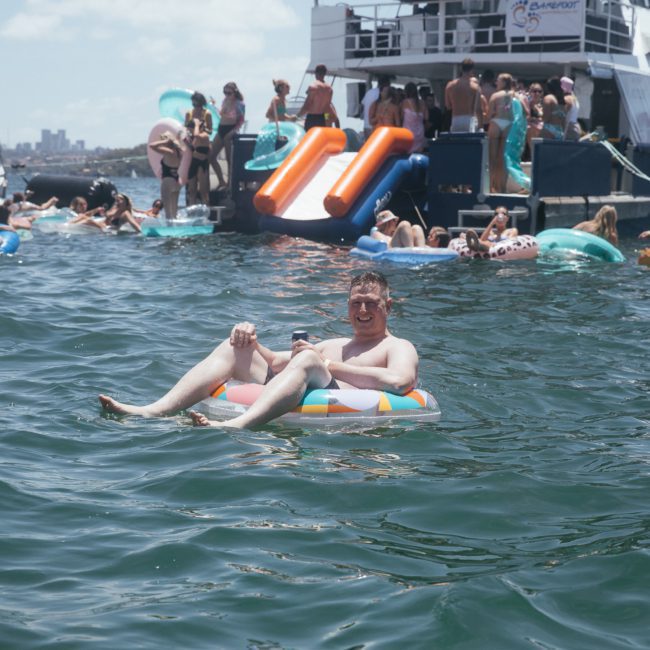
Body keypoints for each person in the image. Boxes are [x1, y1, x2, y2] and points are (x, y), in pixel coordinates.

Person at [99, 271, 419, 429]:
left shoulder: (397, 345)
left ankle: (240, 425)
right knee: (233, 347)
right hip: (312, 377)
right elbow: (279, 364)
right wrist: (250, 339)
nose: (362, 310)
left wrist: (328, 366)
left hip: (346, 407)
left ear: (388, 306)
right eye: (355, 303)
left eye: (371, 303)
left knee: (307, 357)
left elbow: (401, 381)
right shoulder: (334, 344)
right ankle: (153, 410)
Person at [209, 82, 245, 190]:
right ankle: (222, 181)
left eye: (229, 92)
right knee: (210, 156)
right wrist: (213, 106)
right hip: (221, 129)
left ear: (235, 92)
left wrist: (233, 131)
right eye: (225, 92)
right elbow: (222, 114)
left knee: (230, 160)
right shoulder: (225, 100)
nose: (227, 95)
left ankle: (230, 183)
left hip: (230, 130)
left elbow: (241, 120)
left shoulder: (240, 104)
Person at [487, 73, 515, 193]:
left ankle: (490, 186)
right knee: (503, 159)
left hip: (496, 123)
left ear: (503, 82)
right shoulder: (516, 95)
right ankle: (502, 187)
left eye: (498, 81)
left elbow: (489, 115)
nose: (496, 83)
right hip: (509, 124)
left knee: (492, 158)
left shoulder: (495, 95)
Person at [148, 130, 184, 218]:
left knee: (168, 212)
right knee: (174, 211)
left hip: (168, 181)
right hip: (177, 182)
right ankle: (176, 229)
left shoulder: (169, 152)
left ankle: (169, 229)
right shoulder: (180, 152)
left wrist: (165, 141)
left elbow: (152, 145)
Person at [445, 58, 483, 133]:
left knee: (457, 143)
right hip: (469, 119)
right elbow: (478, 109)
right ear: (472, 70)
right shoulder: (475, 87)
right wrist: (480, 126)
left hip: (455, 119)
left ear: (461, 69)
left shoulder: (450, 86)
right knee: (469, 143)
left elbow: (448, 106)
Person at [297, 64, 336, 132]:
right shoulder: (329, 89)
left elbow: (307, 105)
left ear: (315, 73)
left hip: (312, 119)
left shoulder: (313, 87)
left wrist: (297, 116)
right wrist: (327, 120)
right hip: (322, 119)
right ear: (325, 73)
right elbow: (327, 107)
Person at [186, 119, 211, 206]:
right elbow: (191, 149)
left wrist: (196, 124)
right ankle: (191, 209)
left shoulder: (204, 135)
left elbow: (196, 135)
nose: (191, 132)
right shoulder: (194, 139)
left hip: (202, 163)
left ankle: (206, 209)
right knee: (192, 190)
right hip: (194, 163)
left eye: (191, 130)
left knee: (203, 191)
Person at [401, 81, 428, 153]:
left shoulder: (404, 103)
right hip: (419, 133)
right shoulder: (422, 103)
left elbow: (401, 117)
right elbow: (426, 117)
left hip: (408, 133)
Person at [561, 76, 581, 141]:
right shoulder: (574, 97)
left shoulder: (567, 99)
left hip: (569, 128)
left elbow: (563, 114)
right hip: (575, 126)